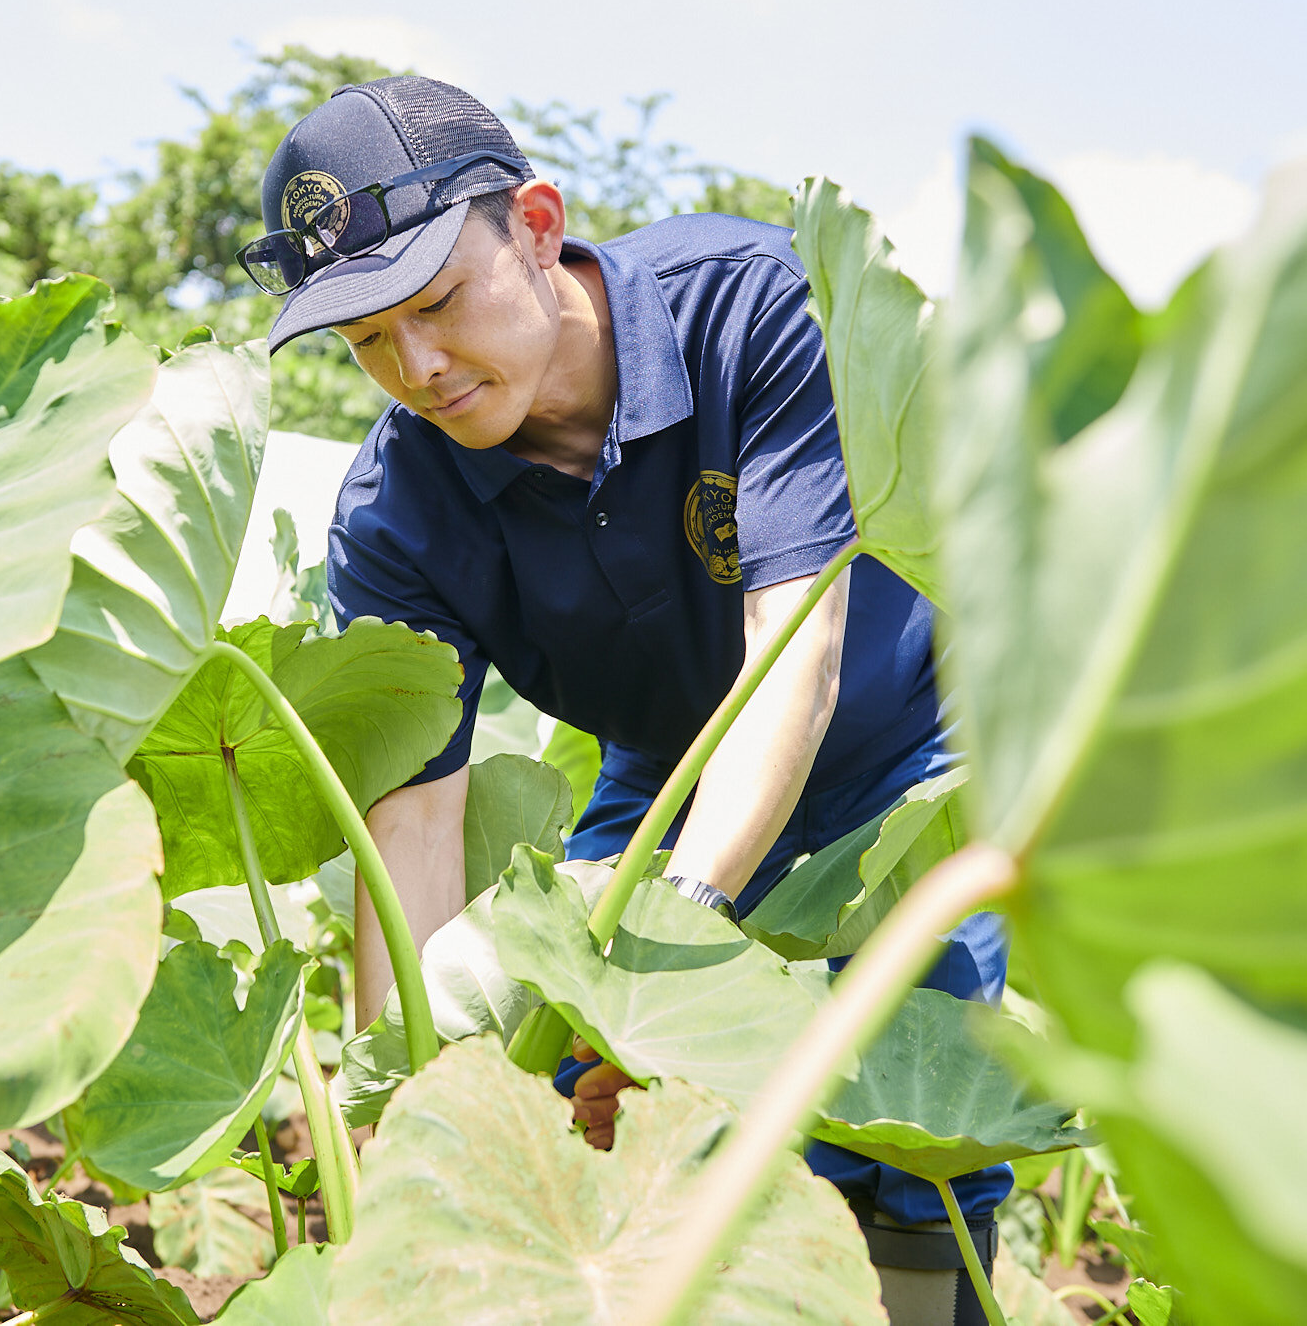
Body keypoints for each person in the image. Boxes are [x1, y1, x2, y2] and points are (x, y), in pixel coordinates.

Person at [239, 75, 1009, 1326]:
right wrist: (412, 1115)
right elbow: (417, 828)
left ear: (537, 225)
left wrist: (666, 963)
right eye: (368, 338)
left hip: (890, 752)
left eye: (437, 301)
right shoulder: (395, 512)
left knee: (927, 1125)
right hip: (663, 770)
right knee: (581, 1108)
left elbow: (790, 663)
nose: (418, 367)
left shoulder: (749, 305)